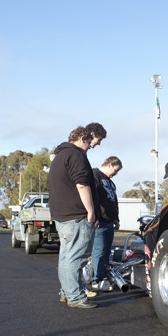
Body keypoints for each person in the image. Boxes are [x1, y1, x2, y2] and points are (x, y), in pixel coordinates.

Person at [49, 126, 99, 309]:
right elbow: (81, 184)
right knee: (76, 257)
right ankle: (75, 297)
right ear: (81, 138)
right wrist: (91, 211)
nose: (90, 146)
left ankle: (67, 291)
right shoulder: (76, 156)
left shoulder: (59, 156)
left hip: (62, 216)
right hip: (76, 215)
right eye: (89, 141)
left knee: (66, 256)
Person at [90, 156, 122, 291]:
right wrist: (94, 217)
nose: (116, 173)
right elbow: (91, 197)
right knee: (99, 251)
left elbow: (114, 201)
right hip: (99, 222)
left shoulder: (110, 183)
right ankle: (96, 280)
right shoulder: (94, 175)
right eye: (115, 170)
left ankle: (104, 277)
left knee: (106, 252)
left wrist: (116, 218)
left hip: (109, 222)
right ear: (109, 165)